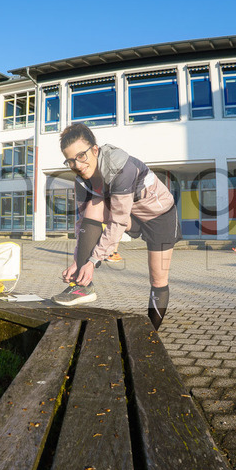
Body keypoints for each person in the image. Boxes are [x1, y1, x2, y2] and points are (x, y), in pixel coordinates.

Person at [53, 123, 178, 330]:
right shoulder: (81, 179)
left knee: (158, 278)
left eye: (81, 156)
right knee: (93, 207)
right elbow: (82, 220)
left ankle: (151, 333)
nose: (78, 164)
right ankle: (83, 287)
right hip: (131, 214)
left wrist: (93, 261)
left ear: (95, 149)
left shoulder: (122, 169)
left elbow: (117, 221)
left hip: (160, 217)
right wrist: (78, 261)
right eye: (71, 160)